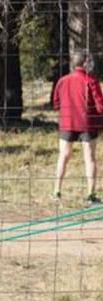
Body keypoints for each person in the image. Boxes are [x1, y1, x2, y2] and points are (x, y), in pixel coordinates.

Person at [51, 50, 103, 203]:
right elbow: (100, 107)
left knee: (63, 157)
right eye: (90, 60)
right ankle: (90, 195)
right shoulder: (91, 81)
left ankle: (56, 191)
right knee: (90, 158)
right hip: (87, 124)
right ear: (85, 63)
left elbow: (56, 103)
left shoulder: (62, 80)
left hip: (67, 123)